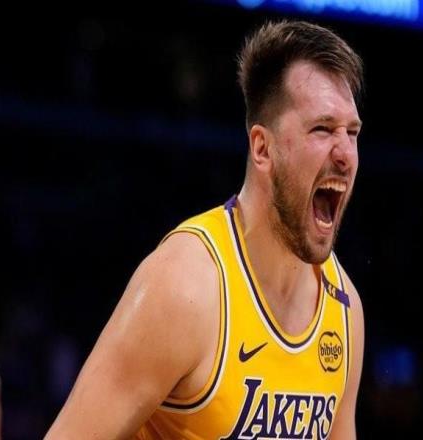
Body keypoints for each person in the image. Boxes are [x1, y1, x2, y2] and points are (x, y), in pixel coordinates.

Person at [45, 19, 365, 439]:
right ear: (262, 148)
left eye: (352, 132)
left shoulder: (343, 308)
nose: (345, 154)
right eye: (322, 129)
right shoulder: (185, 287)